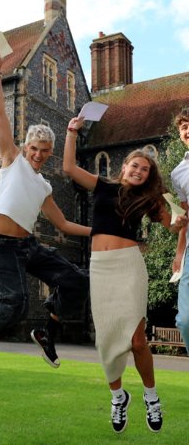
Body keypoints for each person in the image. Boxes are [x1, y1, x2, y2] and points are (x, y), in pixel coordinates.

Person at [63, 116, 188, 434]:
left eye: (145, 170)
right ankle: (118, 397)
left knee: (137, 340)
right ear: (124, 167)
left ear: (148, 176)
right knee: (105, 342)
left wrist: (180, 217)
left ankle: (151, 397)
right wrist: (71, 133)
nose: (139, 171)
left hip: (129, 266)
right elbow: (69, 169)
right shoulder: (103, 185)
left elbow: (173, 225)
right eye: (135, 166)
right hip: (100, 268)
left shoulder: (148, 199)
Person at [0, 54, 90, 371]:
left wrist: (98, 231)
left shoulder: (44, 186)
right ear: (26, 148)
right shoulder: (13, 161)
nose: (38, 154)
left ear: (50, 153)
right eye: (34, 148)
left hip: (29, 247)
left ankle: (46, 332)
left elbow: (62, 223)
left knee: (77, 280)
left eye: (44, 150)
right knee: (17, 302)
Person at [171, 108, 189, 353]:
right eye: (183, 127)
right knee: (185, 320)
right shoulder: (178, 173)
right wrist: (178, 253)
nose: (188, 130)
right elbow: (183, 216)